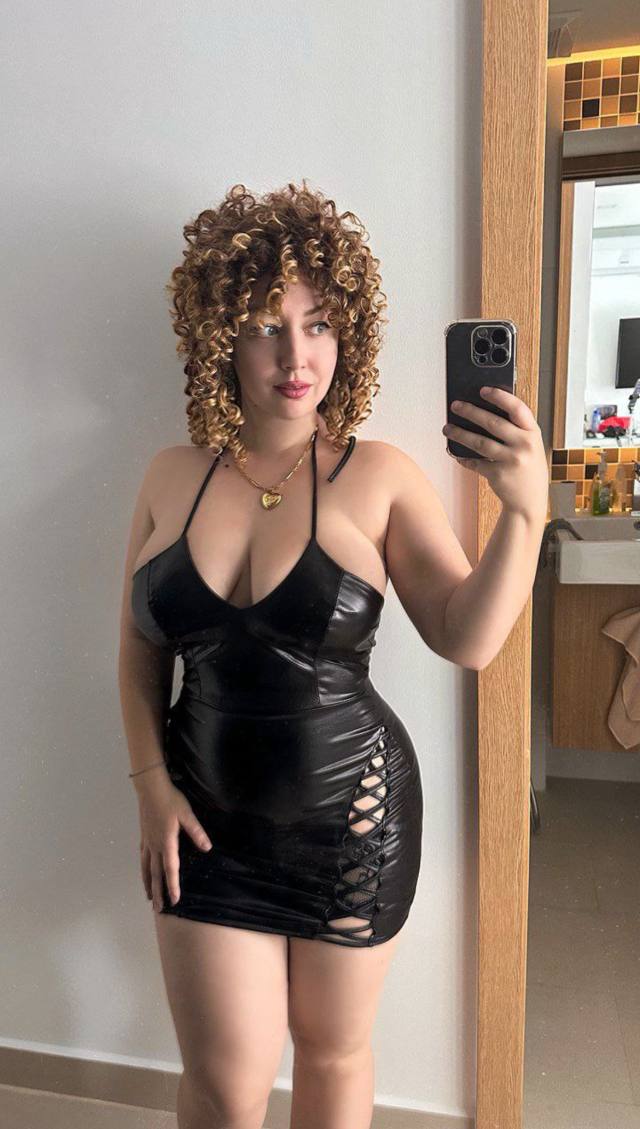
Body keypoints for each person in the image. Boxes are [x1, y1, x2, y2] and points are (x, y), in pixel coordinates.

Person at [118, 181, 548, 1129]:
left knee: (333, 1055)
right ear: (221, 337)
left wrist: (525, 511)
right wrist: (149, 784)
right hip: (201, 820)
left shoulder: (379, 476)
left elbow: (468, 637)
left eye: (317, 324)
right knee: (223, 1088)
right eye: (265, 327)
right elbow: (139, 646)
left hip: (355, 822)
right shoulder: (168, 475)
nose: (296, 355)